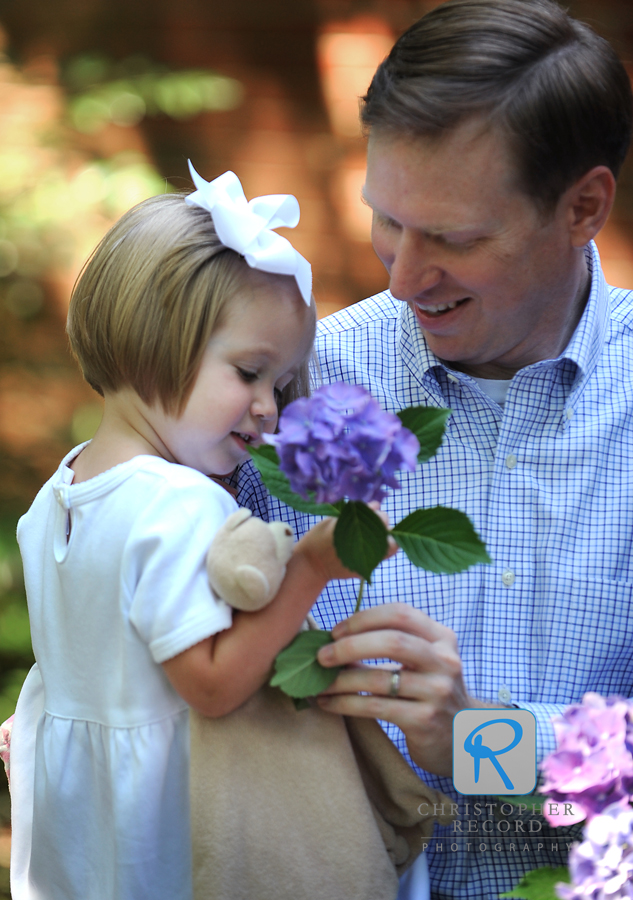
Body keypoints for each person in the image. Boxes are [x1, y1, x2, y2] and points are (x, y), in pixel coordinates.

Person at [235, 1, 633, 897]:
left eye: (453, 238)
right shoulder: (300, 381)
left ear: (583, 207)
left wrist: (487, 745)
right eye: (386, 219)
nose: (403, 276)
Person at [7, 168, 421, 900]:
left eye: (282, 382)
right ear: (152, 341)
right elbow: (211, 684)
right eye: (250, 372)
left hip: (83, 826)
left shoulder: (59, 494)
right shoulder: (177, 505)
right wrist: (312, 566)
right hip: (164, 828)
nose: (268, 409)